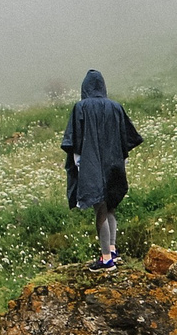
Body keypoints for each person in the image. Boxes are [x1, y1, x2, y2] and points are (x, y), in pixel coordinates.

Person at [60, 70, 142, 269]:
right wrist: (122, 162)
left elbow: (75, 140)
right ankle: (112, 250)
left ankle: (106, 259)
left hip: (91, 164)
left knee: (100, 209)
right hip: (115, 162)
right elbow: (126, 138)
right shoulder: (116, 107)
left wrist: (79, 164)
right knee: (111, 205)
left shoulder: (81, 107)